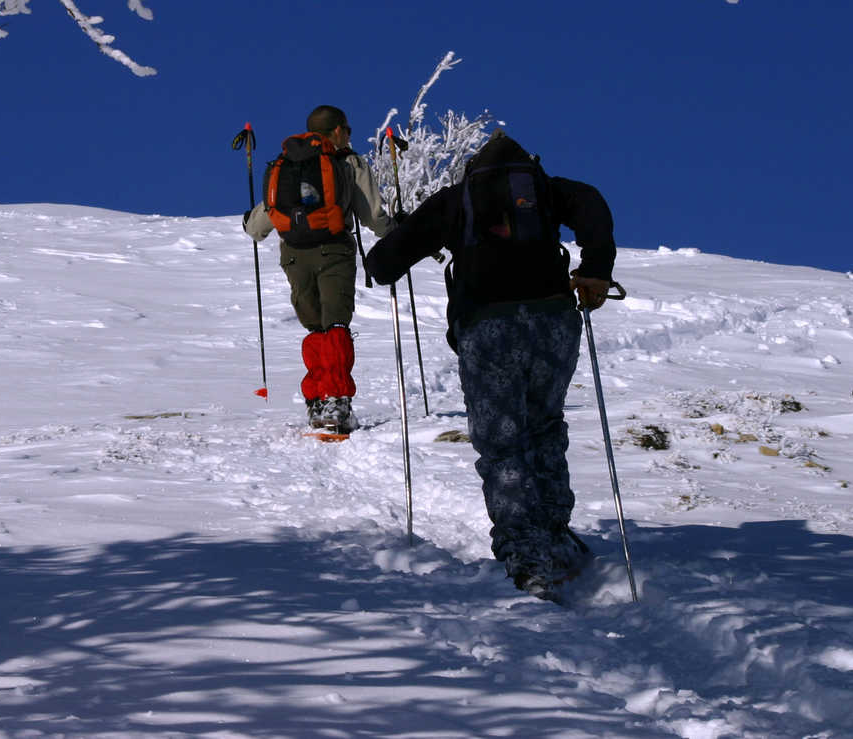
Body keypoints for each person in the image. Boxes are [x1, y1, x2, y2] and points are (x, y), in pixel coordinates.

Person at [365, 129, 616, 597]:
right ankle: (554, 533)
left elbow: (384, 263)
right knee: (544, 426)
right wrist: (596, 269)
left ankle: (527, 554)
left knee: (502, 445)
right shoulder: (548, 189)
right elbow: (593, 206)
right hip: (552, 322)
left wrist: (383, 260)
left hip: (488, 327)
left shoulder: (455, 200)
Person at [244, 105, 395, 434]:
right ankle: (336, 402)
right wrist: (393, 228)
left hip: (294, 255)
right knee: (336, 323)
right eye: (348, 129)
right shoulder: (348, 162)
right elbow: (373, 217)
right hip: (333, 250)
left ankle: (317, 400)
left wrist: (252, 223)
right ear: (338, 131)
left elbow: (259, 224)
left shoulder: (285, 163)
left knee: (315, 327)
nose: (350, 134)